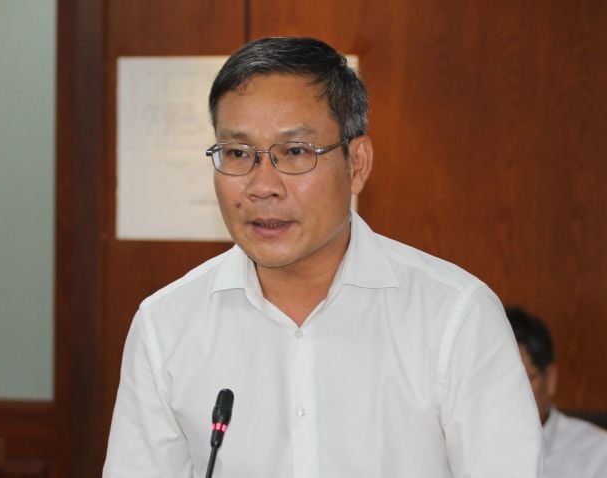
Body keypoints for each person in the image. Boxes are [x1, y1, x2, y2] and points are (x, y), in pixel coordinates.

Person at [103, 37, 543, 477]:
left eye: (295, 153)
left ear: (358, 163)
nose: (262, 186)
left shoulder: (455, 317)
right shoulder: (166, 325)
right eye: (237, 153)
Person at [506, 306, 607, 478]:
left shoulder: (598, 453)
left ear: (550, 378)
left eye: (521, 381)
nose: (507, 394)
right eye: (500, 384)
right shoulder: (465, 445)